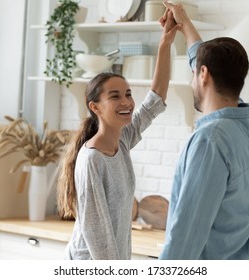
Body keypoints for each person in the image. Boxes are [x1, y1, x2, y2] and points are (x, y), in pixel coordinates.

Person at [56, 11, 180, 260]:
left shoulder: (122, 141)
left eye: (128, 93)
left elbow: (155, 99)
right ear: (95, 107)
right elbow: (96, 232)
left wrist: (165, 42)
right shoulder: (92, 159)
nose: (126, 102)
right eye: (115, 96)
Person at [159, 2, 249, 260]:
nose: (192, 80)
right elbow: (202, 61)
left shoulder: (210, 141)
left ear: (204, 74)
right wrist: (185, 24)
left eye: (194, 73)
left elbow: (186, 235)